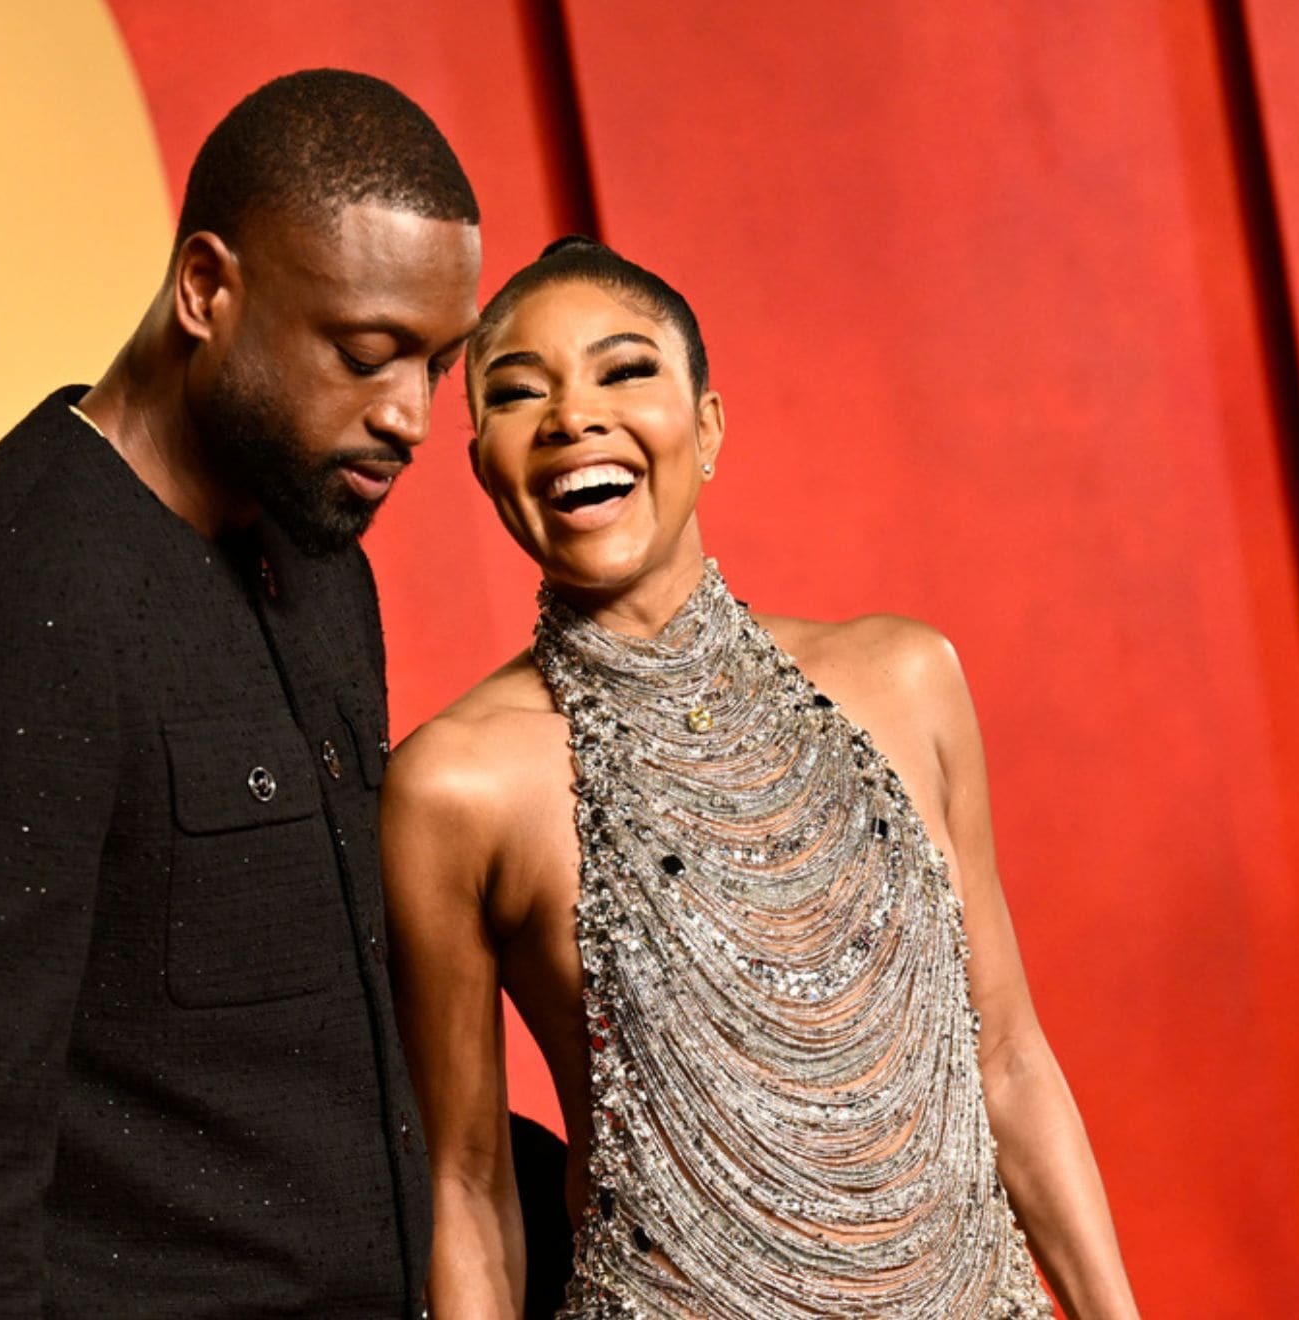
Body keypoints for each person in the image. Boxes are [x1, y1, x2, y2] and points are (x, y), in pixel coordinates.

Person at [0, 70, 480, 1317]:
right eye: (368, 353)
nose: (410, 417)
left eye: (438, 365)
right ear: (207, 290)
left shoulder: (320, 562)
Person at [382, 238, 1139, 1317]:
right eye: (517, 392)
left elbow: (1010, 1059)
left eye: (624, 369)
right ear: (484, 465)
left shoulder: (909, 680)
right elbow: (464, 1184)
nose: (572, 417)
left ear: (709, 427)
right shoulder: (455, 786)